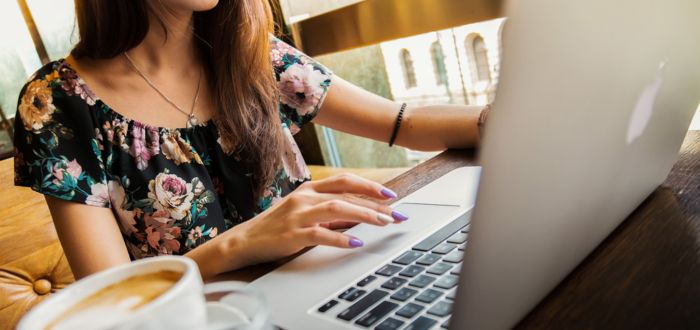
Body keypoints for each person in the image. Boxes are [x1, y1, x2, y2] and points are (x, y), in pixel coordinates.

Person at [13, 0, 488, 280]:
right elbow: (115, 301)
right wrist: (245, 243)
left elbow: (403, 122)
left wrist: (513, 117)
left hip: (329, 284)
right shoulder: (57, 103)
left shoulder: (252, 55)